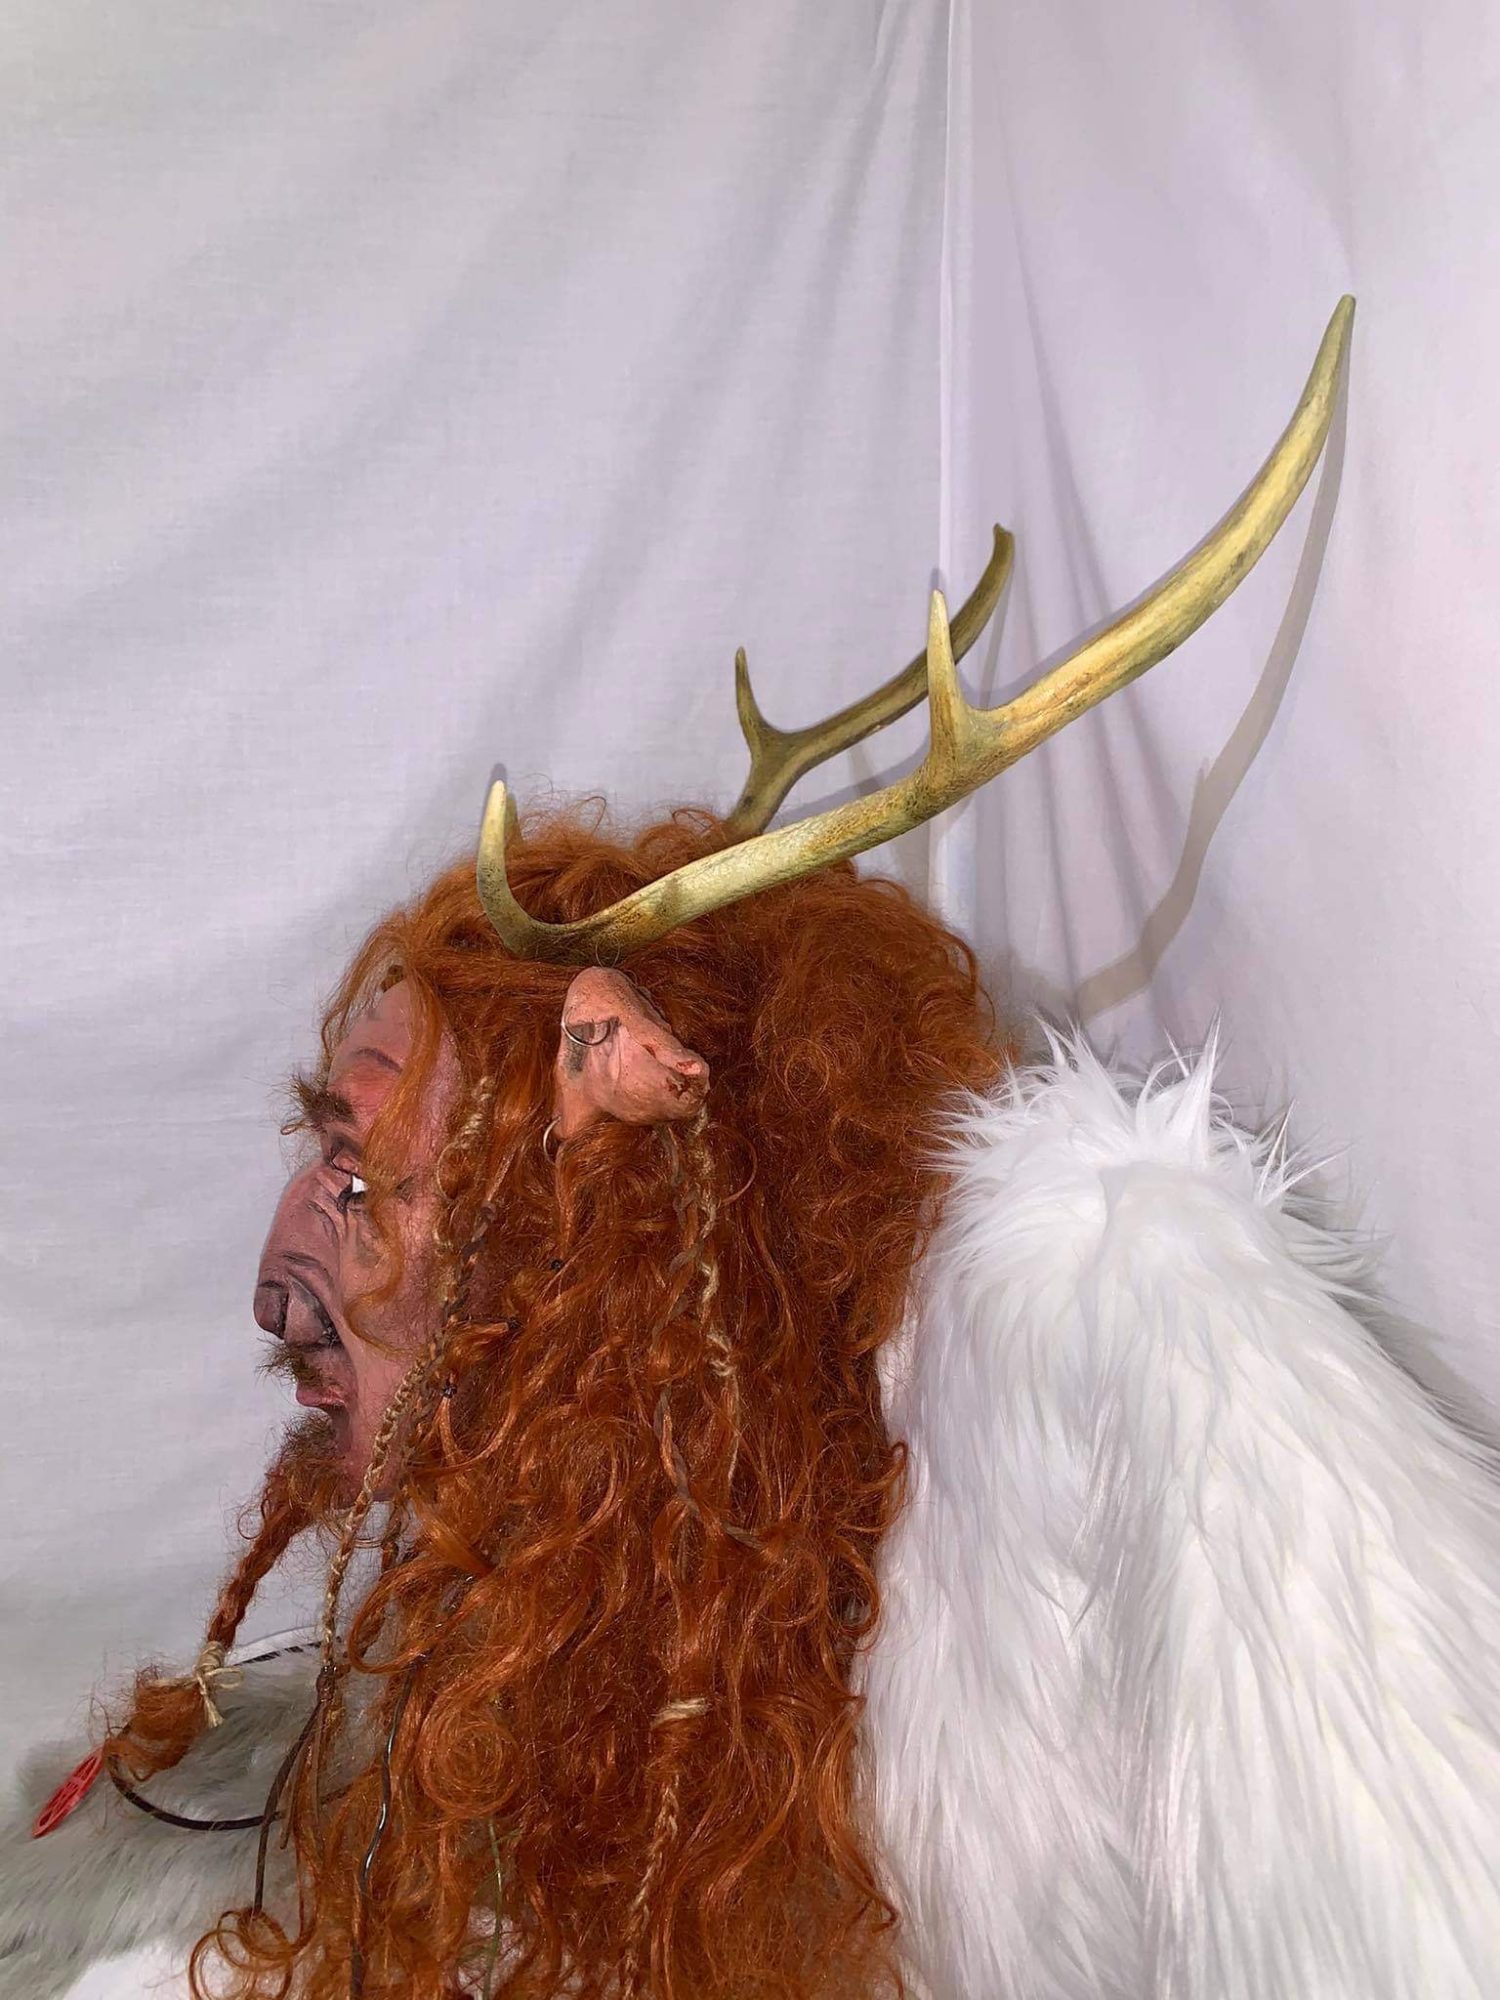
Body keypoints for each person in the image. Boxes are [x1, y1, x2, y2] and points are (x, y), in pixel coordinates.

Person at [9, 296, 1498, 1997]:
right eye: (322, 1155)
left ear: (596, 1192)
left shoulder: (1111, 1346)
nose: (278, 1280)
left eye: (359, 1178)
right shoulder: (680, 1501)